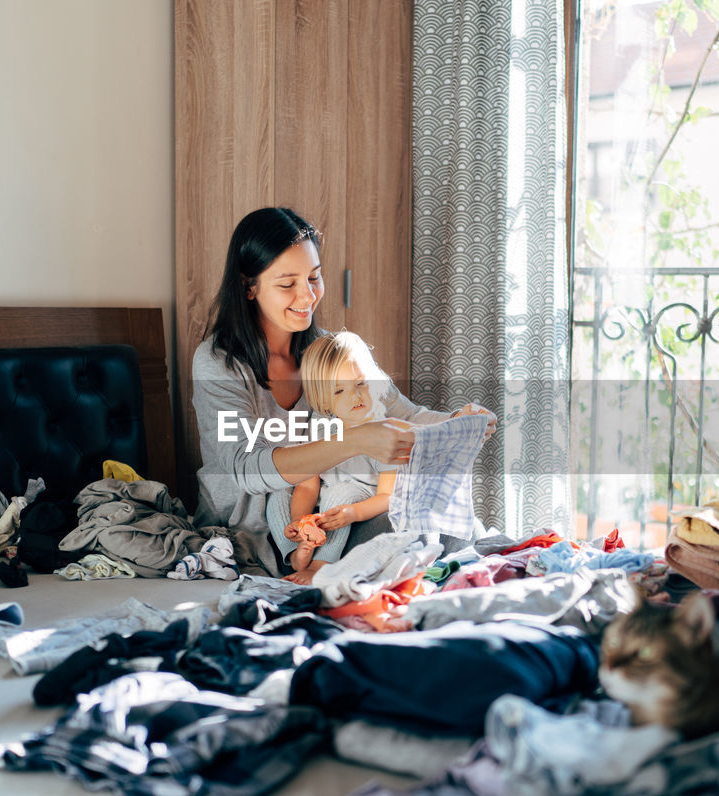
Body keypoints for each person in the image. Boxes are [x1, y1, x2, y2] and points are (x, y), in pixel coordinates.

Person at [191, 207, 493, 579]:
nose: (307, 296)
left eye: (314, 278)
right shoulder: (218, 362)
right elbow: (245, 469)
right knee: (421, 533)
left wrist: (457, 421)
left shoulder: (328, 351)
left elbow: (401, 411)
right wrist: (355, 441)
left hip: (334, 518)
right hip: (257, 533)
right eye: (287, 284)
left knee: (433, 517)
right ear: (249, 286)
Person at [269, 331, 401, 576]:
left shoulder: (386, 431)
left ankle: (321, 565)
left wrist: (354, 513)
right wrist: (302, 522)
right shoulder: (320, 428)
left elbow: (387, 496)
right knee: (278, 493)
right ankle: (296, 553)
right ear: (325, 401)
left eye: (361, 383)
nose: (355, 395)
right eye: (339, 391)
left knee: (342, 492)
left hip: (363, 499)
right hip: (324, 501)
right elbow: (308, 486)